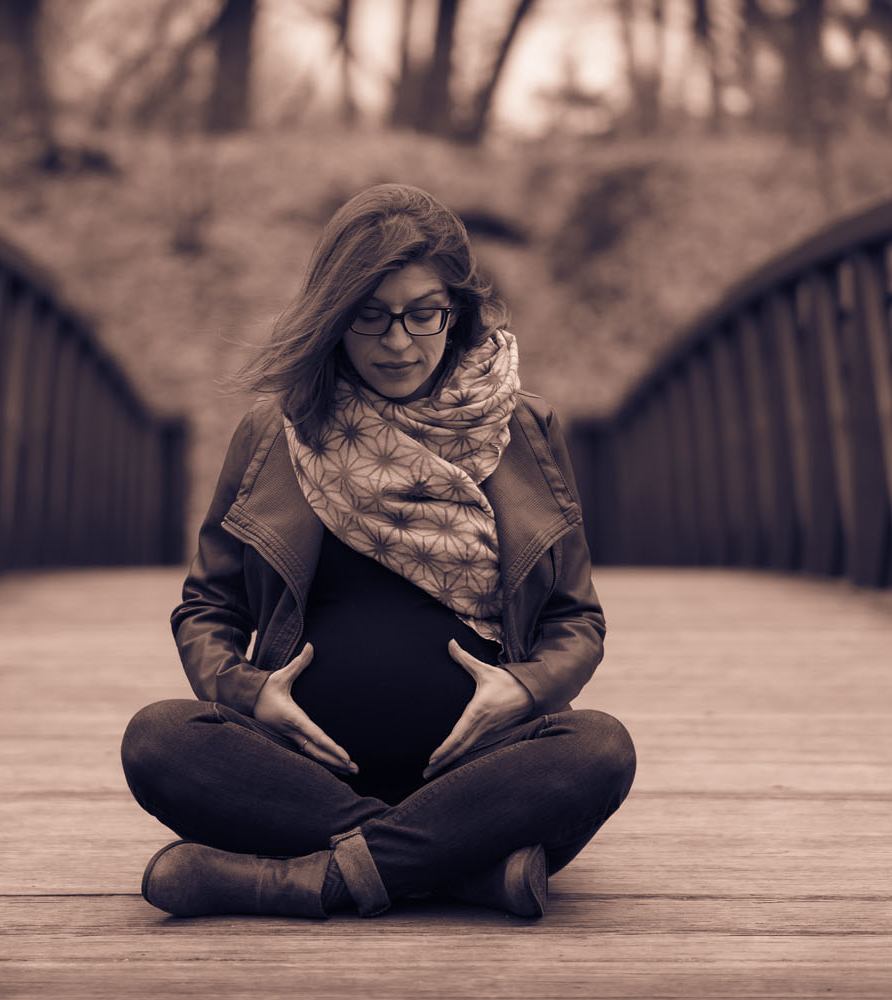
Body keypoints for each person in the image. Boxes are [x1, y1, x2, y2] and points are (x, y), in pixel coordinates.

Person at [121, 183, 635, 920]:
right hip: (300, 770)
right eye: (370, 315)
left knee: (600, 748)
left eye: (423, 313)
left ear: (456, 311)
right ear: (333, 317)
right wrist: (248, 692)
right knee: (159, 738)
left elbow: (576, 621)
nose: (398, 342)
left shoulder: (525, 430)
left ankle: (307, 879)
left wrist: (523, 692)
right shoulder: (275, 433)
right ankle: (454, 868)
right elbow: (208, 607)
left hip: (482, 767)